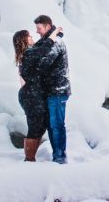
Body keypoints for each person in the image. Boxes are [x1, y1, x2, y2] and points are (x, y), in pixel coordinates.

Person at [29, 14, 71, 164]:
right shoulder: (47, 41)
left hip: (58, 90)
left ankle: (60, 157)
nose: (37, 31)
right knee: (51, 125)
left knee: (57, 124)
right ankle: (56, 155)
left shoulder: (56, 42)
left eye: (39, 28)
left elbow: (44, 63)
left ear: (47, 27)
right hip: (49, 91)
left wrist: (32, 63)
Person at [13, 29, 47, 162]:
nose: (32, 37)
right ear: (23, 40)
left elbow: (40, 46)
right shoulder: (28, 54)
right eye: (29, 36)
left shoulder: (27, 53)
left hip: (31, 94)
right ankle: (29, 158)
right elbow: (43, 49)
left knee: (41, 125)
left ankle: (30, 156)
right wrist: (53, 35)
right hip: (29, 95)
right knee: (35, 126)